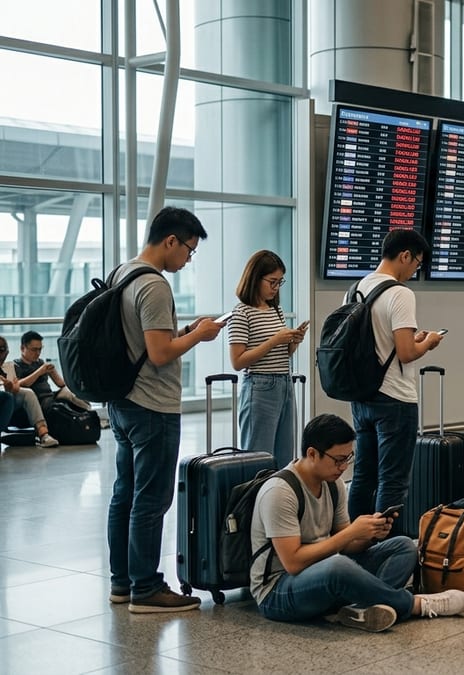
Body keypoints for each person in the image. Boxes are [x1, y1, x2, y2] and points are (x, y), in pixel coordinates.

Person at [108, 206, 224, 612]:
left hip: (122, 402)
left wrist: (186, 332)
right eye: (189, 250)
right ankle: (147, 588)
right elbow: (158, 354)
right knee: (151, 500)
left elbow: (142, 342)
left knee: (124, 494)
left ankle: (121, 582)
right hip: (152, 406)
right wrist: (201, 336)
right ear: (170, 241)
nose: (188, 259)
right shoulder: (155, 285)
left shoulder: (122, 273)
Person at [252, 414, 464, 631]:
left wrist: (370, 535)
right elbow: (293, 562)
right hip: (278, 591)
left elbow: (346, 546)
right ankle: (416, 605)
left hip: (325, 576)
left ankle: (363, 609)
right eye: (338, 459)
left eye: (348, 458)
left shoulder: (332, 483)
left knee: (403, 546)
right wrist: (350, 533)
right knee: (337, 566)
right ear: (312, 454)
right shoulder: (280, 492)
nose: (344, 466)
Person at [349, 229, 442, 532]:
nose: (415, 270)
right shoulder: (400, 293)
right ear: (404, 255)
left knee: (363, 476)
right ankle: (387, 551)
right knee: (393, 480)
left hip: (362, 397)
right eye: (416, 263)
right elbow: (405, 352)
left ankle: (356, 544)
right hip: (396, 400)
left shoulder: (355, 289)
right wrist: (427, 342)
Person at [228, 251, 309, 468]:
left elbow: (283, 354)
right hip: (260, 386)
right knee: (258, 459)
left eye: (279, 282)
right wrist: (274, 340)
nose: (276, 288)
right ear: (255, 279)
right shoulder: (241, 312)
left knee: (284, 458)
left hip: (284, 382)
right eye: (272, 282)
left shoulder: (276, 310)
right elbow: (237, 361)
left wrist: (294, 341)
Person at [0, 336, 58, 447]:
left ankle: (43, 434)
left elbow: (17, 387)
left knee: (27, 393)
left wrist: (13, 388)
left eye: (3, 351)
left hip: (9, 398)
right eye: (34, 349)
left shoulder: (9, 367)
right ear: (23, 348)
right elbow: (25, 382)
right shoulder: (20, 365)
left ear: (7, 353)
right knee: (8, 397)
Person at [13, 330, 92, 412]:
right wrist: (39, 372)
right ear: (22, 348)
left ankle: (88, 412)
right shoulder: (16, 365)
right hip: (37, 400)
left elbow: (61, 384)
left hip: (50, 396)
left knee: (70, 392)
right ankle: (86, 414)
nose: (38, 353)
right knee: (60, 408)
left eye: (40, 349)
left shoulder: (40, 362)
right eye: (34, 350)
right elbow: (20, 384)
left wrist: (53, 372)